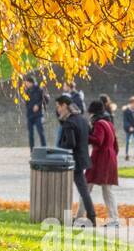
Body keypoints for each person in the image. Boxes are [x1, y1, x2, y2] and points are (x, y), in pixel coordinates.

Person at [56, 94, 95, 227]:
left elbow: (70, 143)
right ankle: (92, 217)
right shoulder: (82, 119)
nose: (58, 109)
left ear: (64, 106)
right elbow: (88, 134)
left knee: (72, 189)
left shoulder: (69, 122)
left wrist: (60, 147)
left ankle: (64, 216)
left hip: (72, 161)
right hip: (83, 158)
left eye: (58, 106)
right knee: (83, 190)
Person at [86, 99, 120, 226]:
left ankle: (80, 217)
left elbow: (98, 141)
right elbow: (116, 145)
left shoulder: (99, 123)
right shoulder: (109, 123)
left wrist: (85, 135)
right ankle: (114, 219)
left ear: (93, 113)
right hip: (109, 158)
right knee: (107, 191)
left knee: (86, 187)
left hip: (99, 159)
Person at [23, 75, 47, 150]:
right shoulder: (27, 90)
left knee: (41, 133)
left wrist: (38, 105)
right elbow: (27, 102)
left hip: (38, 115)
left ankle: (44, 149)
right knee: (30, 134)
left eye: (26, 82)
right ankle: (32, 150)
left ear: (31, 82)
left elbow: (45, 100)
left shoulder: (40, 89)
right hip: (30, 115)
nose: (25, 84)